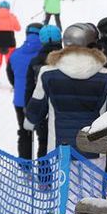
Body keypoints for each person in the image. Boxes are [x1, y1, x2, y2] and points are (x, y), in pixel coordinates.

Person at [24, 23, 107, 169]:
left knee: (64, 192)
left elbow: (35, 112)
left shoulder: (48, 73)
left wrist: (30, 122)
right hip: (94, 151)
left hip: (59, 150)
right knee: (92, 192)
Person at [5, 23, 45, 159]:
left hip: (20, 100)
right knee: (42, 136)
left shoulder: (15, 54)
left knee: (24, 132)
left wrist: (18, 87)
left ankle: (25, 164)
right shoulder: (46, 55)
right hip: (40, 101)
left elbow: (10, 75)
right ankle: (43, 168)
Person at [24, 25, 62, 160]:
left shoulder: (35, 62)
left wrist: (28, 109)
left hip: (41, 109)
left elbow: (29, 88)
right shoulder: (65, 59)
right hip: (63, 108)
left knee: (43, 142)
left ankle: (44, 178)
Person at [0, 1, 21, 81]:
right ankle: (14, 80)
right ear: (8, 8)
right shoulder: (12, 17)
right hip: (10, 43)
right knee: (10, 62)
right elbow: (18, 28)